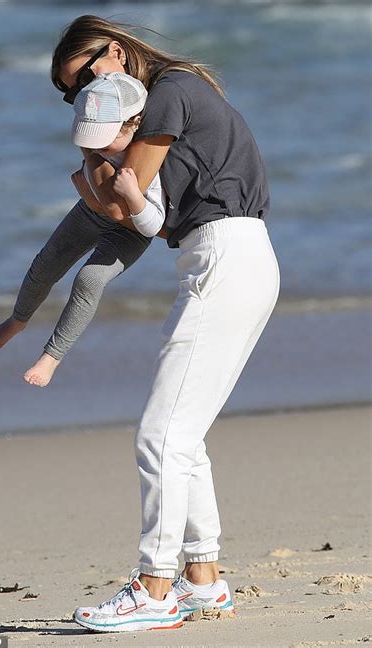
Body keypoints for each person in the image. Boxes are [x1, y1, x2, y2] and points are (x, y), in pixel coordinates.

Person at [55, 14, 281, 633]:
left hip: (226, 257)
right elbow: (137, 217)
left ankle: (156, 587)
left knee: (160, 437)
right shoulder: (170, 99)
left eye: (87, 79)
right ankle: (202, 580)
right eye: (73, 96)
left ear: (118, 52)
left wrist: (91, 145)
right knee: (183, 436)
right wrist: (101, 153)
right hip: (234, 258)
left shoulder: (173, 92)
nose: (85, 96)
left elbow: (126, 208)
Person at [0, 72, 165, 387]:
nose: (99, 147)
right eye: (91, 139)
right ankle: (17, 320)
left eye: (104, 139)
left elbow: (153, 225)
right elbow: (91, 169)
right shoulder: (100, 149)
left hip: (132, 230)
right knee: (47, 261)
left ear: (134, 122)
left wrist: (133, 196)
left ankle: (51, 356)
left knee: (88, 279)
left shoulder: (148, 159)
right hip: (90, 213)